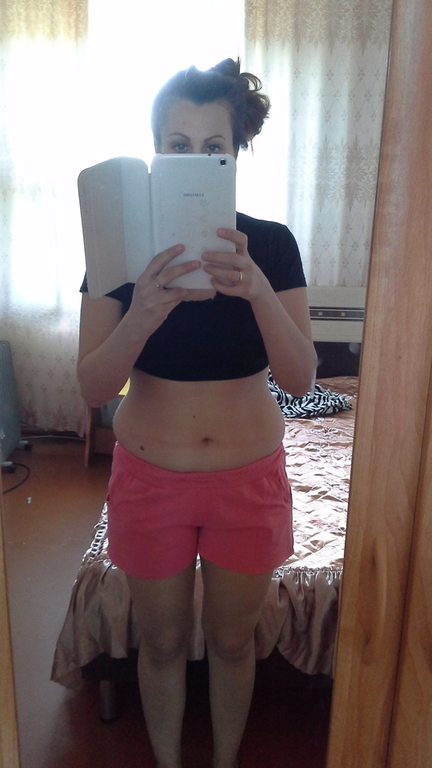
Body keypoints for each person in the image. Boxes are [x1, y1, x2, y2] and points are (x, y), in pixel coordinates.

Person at [77, 58, 317, 768]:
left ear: (235, 156)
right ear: (156, 153)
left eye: (213, 147)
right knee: (161, 643)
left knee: (234, 643)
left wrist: (259, 291)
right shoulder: (121, 249)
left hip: (249, 479)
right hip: (151, 479)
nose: (195, 158)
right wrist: (141, 313)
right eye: (177, 145)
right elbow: (92, 386)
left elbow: (301, 379)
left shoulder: (270, 245)